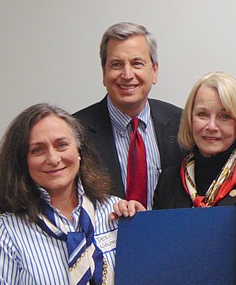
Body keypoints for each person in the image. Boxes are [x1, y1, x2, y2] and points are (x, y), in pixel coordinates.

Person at [0, 104, 144, 285]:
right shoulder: (6, 232)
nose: (53, 159)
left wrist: (142, 229)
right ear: (22, 162)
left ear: (79, 151)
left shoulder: (116, 212)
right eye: (37, 150)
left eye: (61, 145)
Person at [74, 22, 186, 209]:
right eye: (117, 64)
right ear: (104, 72)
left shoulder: (180, 123)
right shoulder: (76, 131)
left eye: (137, 63)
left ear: (155, 71)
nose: (127, 74)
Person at [153, 71, 236, 208]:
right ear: (190, 120)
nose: (211, 126)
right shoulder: (168, 180)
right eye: (202, 114)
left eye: (224, 116)